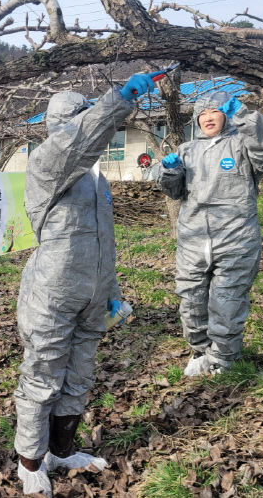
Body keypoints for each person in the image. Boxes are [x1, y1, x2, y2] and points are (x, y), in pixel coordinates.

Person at [14, 73, 155, 496]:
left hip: (92, 294)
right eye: (83, 116)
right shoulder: (49, 162)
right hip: (53, 291)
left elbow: (103, 241)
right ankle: (30, 461)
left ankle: (60, 449)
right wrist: (116, 101)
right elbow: (81, 140)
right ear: (64, 123)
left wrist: (111, 293)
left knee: (78, 376)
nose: (89, 122)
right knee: (43, 375)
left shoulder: (95, 180)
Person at [158, 91, 263, 377]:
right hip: (193, 237)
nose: (207, 117)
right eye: (202, 113)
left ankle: (224, 358)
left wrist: (243, 114)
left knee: (227, 299)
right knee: (190, 296)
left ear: (225, 114)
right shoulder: (187, 149)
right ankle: (200, 350)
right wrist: (169, 172)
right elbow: (174, 192)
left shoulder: (242, 145)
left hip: (235, 236)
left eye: (214, 111)